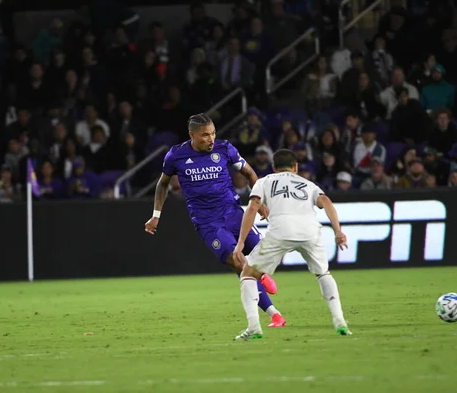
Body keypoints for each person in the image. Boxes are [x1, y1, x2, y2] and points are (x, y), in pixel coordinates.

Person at [144, 113, 286, 328]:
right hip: (208, 223)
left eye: (213, 133)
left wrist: (260, 201)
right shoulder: (176, 155)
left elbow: (249, 173)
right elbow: (162, 184)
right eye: (204, 135)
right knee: (238, 262)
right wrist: (156, 215)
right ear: (192, 135)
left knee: (264, 253)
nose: (211, 139)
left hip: (234, 214)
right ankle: (274, 314)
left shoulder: (225, 149)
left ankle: (262, 275)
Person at [232, 149, 351, 340]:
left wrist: (240, 243)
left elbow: (253, 207)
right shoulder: (308, 184)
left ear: (273, 167)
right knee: (323, 274)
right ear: (295, 167)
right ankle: (340, 322)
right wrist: (338, 231)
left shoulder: (264, 181)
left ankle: (254, 327)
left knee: (248, 274)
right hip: (310, 231)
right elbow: (326, 201)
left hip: (281, 230)